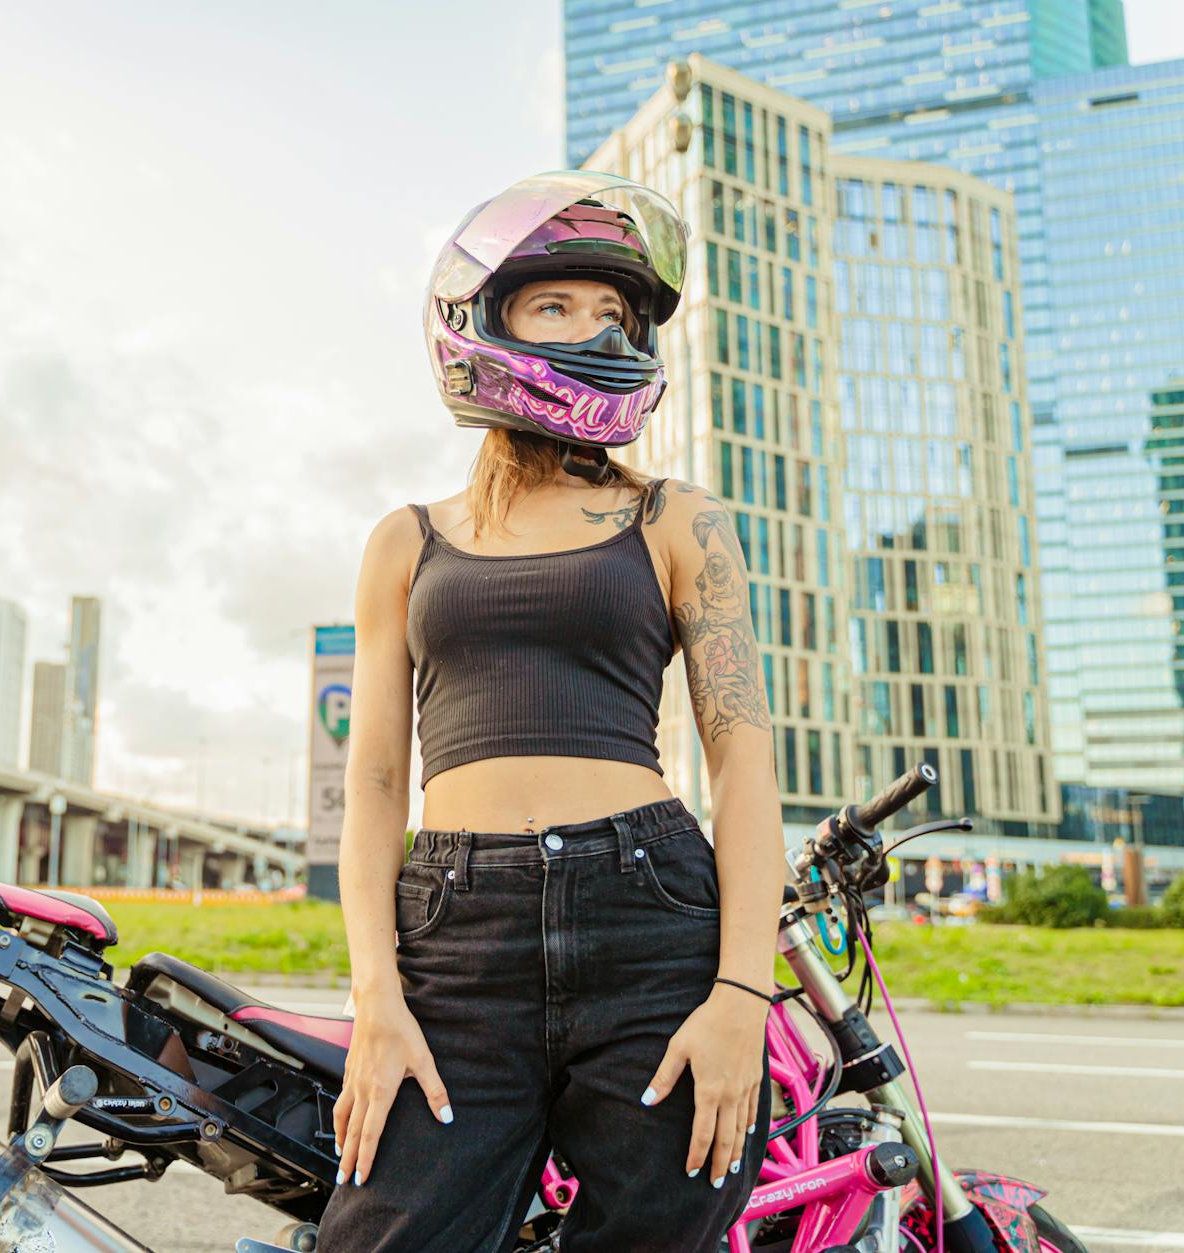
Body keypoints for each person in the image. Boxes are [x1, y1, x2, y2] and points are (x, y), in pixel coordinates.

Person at [315, 170, 786, 1252]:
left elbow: (744, 769)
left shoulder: (678, 520)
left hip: (649, 912)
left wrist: (738, 997)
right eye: (557, 305)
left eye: (615, 315)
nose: (595, 331)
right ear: (485, 319)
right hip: (455, 925)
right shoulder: (404, 539)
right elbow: (378, 782)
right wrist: (376, 993)